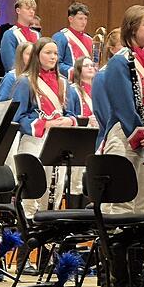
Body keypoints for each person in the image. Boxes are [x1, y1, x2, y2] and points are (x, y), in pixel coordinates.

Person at [93, 5, 144, 215]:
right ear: (132, 28)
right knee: (121, 206)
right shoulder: (119, 62)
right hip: (126, 135)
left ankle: (138, 249)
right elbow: (124, 107)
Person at [12, 37, 77, 217]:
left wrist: (69, 121)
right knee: (33, 192)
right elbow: (18, 116)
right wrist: (46, 124)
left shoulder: (63, 83)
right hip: (33, 141)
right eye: (48, 53)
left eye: (55, 53)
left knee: (55, 192)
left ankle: (49, 234)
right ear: (37, 55)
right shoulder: (25, 81)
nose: (53, 57)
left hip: (57, 140)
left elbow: (71, 112)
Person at [52, 56, 97, 209]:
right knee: (76, 178)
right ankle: (74, 213)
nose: (91, 68)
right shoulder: (73, 89)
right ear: (78, 70)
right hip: (80, 135)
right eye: (86, 66)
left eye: (92, 65)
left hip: (96, 136)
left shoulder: (98, 89)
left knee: (90, 176)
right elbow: (69, 113)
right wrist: (86, 119)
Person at [52, 2, 93, 80]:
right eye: (80, 18)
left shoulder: (90, 39)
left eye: (85, 19)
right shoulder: (60, 37)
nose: (84, 22)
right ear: (70, 19)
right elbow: (55, 63)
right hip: (69, 82)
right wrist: (75, 73)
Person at [0, 0, 40, 71]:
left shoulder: (37, 35)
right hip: (18, 77)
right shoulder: (10, 34)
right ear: (18, 10)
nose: (31, 11)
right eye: (28, 9)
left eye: (33, 9)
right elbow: (10, 64)